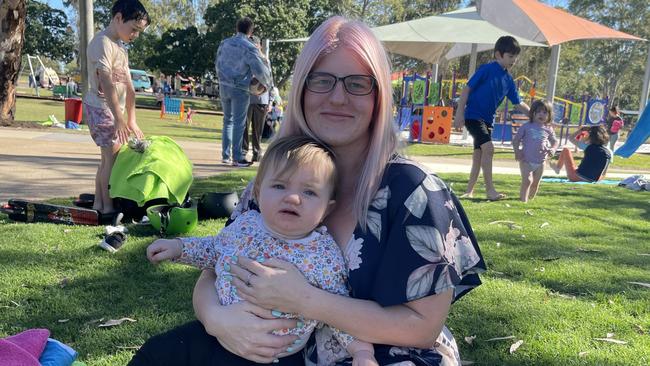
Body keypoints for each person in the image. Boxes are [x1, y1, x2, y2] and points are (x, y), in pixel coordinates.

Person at [130, 16, 486, 366]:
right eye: (321, 80)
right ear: (301, 88)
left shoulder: (416, 193)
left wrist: (305, 299)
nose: (337, 97)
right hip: (265, 348)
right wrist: (217, 320)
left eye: (357, 84)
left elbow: (422, 327)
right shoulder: (274, 178)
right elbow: (216, 264)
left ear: (379, 96)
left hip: (380, 355)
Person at [136, 136, 378, 366]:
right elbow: (213, 249)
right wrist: (179, 247)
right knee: (155, 352)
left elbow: (337, 308)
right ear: (259, 192)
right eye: (280, 186)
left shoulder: (323, 254)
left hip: (276, 355)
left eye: (309, 192)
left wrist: (362, 351)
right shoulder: (246, 224)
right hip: (218, 335)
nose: (293, 198)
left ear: (327, 209)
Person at [83, 0, 149, 215]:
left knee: (108, 159)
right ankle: (107, 207)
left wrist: (131, 119)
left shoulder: (120, 47)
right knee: (110, 159)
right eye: (134, 29)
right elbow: (107, 82)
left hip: (114, 111)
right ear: (118, 18)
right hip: (102, 108)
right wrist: (119, 117)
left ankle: (99, 205)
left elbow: (129, 88)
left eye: (139, 32)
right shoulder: (102, 43)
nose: (135, 35)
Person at [454, 36, 530, 201]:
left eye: (515, 57)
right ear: (498, 55)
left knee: (479, 155)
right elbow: (466, 89)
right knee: (489, 149)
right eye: (510, 56)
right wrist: (459, 113)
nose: (514, 60)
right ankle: (490, 190)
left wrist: (535, 116)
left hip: (488, 120)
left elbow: (518, 103)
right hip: (473, 116)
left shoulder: (509, 80)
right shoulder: (486, 69)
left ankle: (469, 191)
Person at [216, 17, 272, 167]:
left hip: (223, 85)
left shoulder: (224, 43)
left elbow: (217, 63)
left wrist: (222, 80)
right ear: (250, 31)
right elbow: (260, 70)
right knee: (239, 123)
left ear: (237, 28)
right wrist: (266, 84)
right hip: (239, 87)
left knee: (227, 120)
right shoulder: (249, 47)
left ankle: (225, 155)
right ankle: (237, 157)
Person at [512, 100, 558, 203]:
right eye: (539, 112)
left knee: (535, 182)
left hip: (540, 162)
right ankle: (523, 201)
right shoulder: (526, 126)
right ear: (533, 113)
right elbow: (516, 140)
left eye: (545, 112)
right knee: (527, 180)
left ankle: (530, 198)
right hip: (526, 160)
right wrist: (517, 152)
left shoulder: (548, 129)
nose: (541, 114)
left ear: (549, 115)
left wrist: (553, 149)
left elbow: (555, 141)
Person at [242, 36, 270, 163]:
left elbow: (270, 81)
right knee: (244, 127)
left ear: (259, 45)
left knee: (258, 130)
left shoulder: (265, 60)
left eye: (254, 45)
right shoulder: (244, 59)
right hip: (246, 99)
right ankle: (243, 152)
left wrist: (270, 101)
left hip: (261, 100)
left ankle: (257, 153)